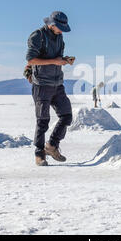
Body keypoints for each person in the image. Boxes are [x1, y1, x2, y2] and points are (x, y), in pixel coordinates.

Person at [26, 11, 75, 166]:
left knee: (66, 116)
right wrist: (55, 61)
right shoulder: (37, 36)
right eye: (60, 27)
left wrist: (65, 60)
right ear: (52, 24)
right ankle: (39, 154)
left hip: (57, 83)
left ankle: (52, 146)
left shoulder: (60, 38)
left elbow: (56, 59)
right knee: (43, 121)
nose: (62, 31)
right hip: (41, 84)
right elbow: (31, 59)